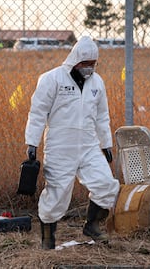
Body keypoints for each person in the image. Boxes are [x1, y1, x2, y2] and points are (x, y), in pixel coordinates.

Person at [24, 36, 120, 250]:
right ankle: (48, 240)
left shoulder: (97, 82)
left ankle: (92, 225)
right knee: (57, 193)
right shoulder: (52, 79)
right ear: (75, 60)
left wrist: (106, 143)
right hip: (60, 145)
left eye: (93, 64)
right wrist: (32, 142)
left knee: (106, 184)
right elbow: (38, 113)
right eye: (86, 64)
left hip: (88, 145)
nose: (90, 68)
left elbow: (102, 115)